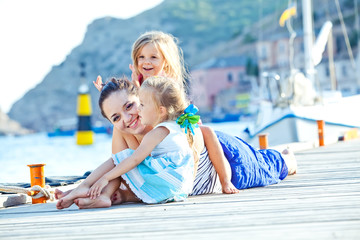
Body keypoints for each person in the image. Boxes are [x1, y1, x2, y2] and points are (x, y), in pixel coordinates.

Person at [56, 77, 296, 209]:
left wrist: (225, 181)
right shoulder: (134, 129)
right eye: (115, 117)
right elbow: (128, 164)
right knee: (121, 154)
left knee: (268, 164)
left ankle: (287, 156)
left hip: (227, 160)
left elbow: (207, 134)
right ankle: (92, 191)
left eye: (130, 106)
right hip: (189, 179)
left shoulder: (165, 122)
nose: (127, 118)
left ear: (143, 101)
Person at [93, 30, 237, 194]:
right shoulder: (140, 82)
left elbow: (159, 108)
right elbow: (131, 102)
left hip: (174, 130)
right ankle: (109, 185)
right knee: (120, 127)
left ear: (165, 63)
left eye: (153, 57)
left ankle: (225, 180)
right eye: (141, 57)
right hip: (155, 137)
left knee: (208, 132)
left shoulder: (166, 84)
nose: (146, 62)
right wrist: (107, 91)